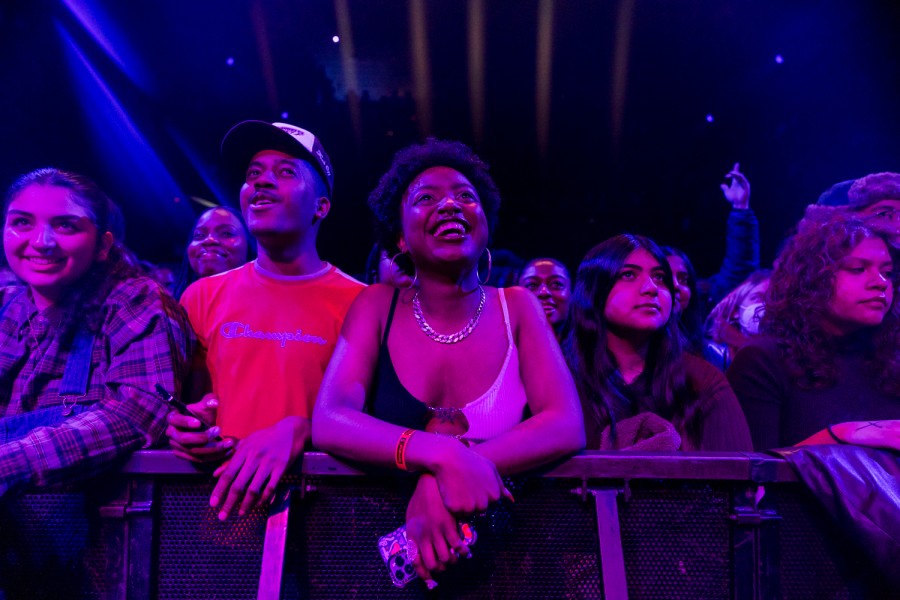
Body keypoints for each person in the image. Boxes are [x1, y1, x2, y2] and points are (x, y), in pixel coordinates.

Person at [312, 139, 585, 585]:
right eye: (425, 198)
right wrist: (437, 454)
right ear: (399, 235)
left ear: (485, 226)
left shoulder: (517, 306)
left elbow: (564, 424)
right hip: (377, 574)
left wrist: (444, 477)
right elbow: (330, 419)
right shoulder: (377, 305)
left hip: (506, 572)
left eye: (465, 196)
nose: (450, 205)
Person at [166, 121, 364, 520]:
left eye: (285, 171)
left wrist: (300, 428)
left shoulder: (362, 302)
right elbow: (194, 404)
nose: (261, 182)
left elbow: (371, 417)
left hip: (327, 516)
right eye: (253, 173)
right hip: (219, 512)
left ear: (321, 207)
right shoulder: (201, 295)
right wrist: (188, 427)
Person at [0, 167, 192, 496]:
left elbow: (139, 411)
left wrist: (9, 463)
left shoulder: (135, 301)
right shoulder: (9, 307)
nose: (41, 242)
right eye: (22, 222)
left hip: (97, 536)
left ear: (103, 244)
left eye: (65, 225)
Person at [727, 210, 900, 450]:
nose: (880, 282)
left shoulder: (891, 361)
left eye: (887, 272)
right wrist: (847, 434)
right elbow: (753, 471)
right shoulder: (763, 361)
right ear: (813, 278)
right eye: (858, 269)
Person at [564, 234, 752, 451]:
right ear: (594, 290)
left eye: (659, 277)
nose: (651, 288)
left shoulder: (701, 381)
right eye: (628, 275)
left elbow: (738, 475)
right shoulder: (560, 378)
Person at [663, 163, 760, 347]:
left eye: (684, 279)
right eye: (664, 277)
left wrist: (741, 208)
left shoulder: (704, 345)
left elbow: (739, 270)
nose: (676, 285)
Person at [172, 206, 254, 298]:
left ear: (249, 246)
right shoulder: (175, 307)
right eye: (199, 235)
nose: (209, 240)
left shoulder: (266, 299)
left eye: (226, 233)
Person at [703, 269, 771, 371]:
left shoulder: (785, 354)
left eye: (771, 299)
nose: (764, 306)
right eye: (757, 298)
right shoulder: (713, 352)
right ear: (736, 311)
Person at [518, 257, 571, 340]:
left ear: (571, 293)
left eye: (556, 284)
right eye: (532, 285)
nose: (544, 292)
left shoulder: (591, 349)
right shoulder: (504, 349)